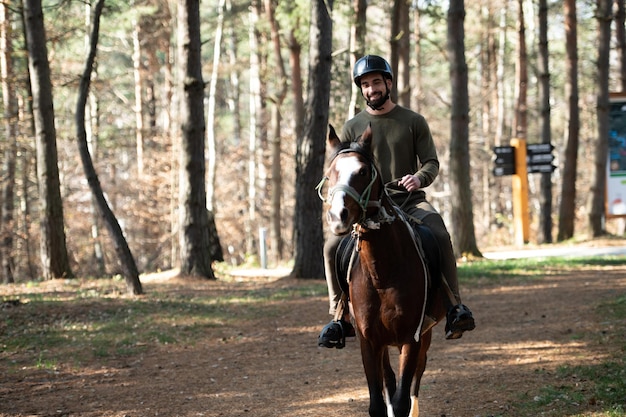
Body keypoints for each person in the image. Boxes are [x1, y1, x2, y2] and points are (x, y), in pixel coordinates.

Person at [318, 55, 475, 348]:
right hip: (368, 209)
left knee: (439, 233)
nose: (371, 89)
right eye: (365, 84)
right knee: (330, 247)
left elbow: (431, 162)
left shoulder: (413, 121)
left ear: (388, 83)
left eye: (376, 82)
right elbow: (345, 170)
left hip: (410, 201)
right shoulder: (353, 126)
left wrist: (418, 178)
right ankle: (339, 317)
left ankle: (455, 307)